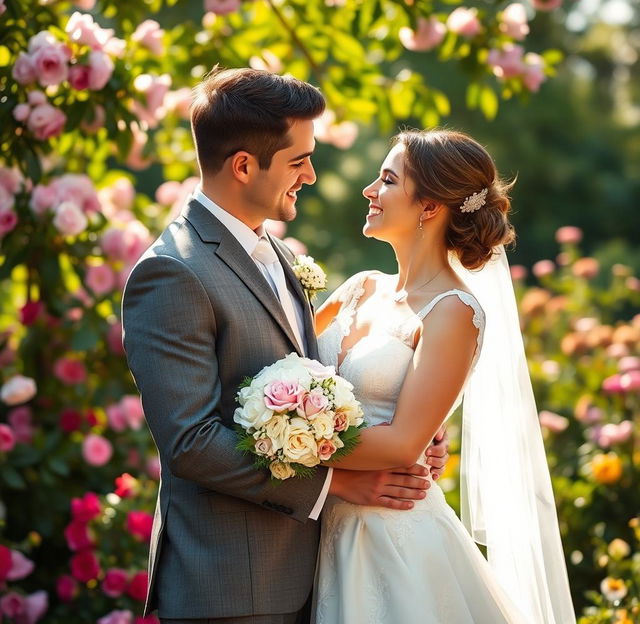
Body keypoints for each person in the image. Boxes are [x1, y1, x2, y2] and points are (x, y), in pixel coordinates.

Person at [122, 67, 449, 624]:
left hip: (316, 572)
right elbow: (192, 442)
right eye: (299, 160)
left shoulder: (274, 252)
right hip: (231, 585)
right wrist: (338, 482)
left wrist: (403, 426)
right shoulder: (172, 272)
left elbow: (310, 381)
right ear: (245, 165)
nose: (313, 175)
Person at [313, 129, 576, 623]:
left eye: (387, 180)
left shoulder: (453, 312)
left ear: (429, 207)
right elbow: (279, 372)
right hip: (326, 526)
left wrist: (282, 450)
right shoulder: (357, 288)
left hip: (389, 537)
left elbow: (400, 446)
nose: (369, 190)